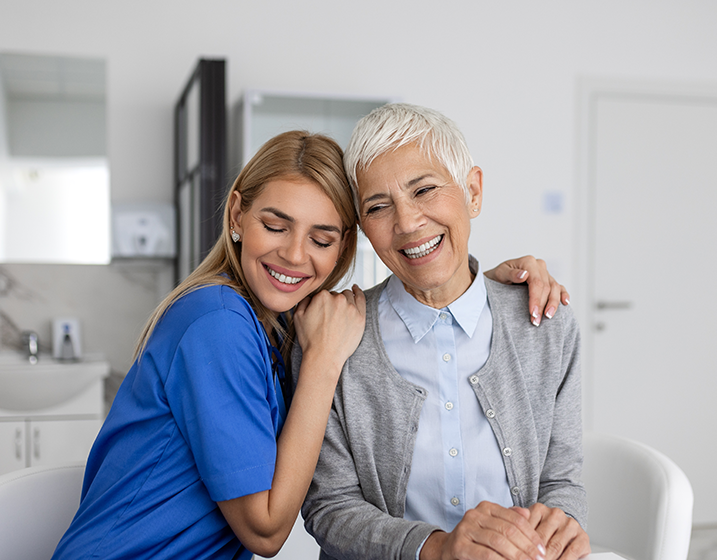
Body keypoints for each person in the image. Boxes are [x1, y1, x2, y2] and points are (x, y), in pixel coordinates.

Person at [51, 130, 568, 560]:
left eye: (321, 240)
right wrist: (323, 361)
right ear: (236, 216)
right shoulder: (219, 323)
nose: (295, 255)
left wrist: (478, 293)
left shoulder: (274, 325)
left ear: (344, 247)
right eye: (275, 225)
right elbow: (267, 530)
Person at [299, 104, 590, 560]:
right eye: (378, 206)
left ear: (473, 192)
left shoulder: (546, 326)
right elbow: (329, 507)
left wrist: (563, 525)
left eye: (425, 190)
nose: (408, 222)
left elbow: (561, 481)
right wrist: (436, 549)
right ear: (363, 231)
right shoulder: (335, 340)